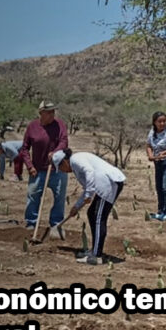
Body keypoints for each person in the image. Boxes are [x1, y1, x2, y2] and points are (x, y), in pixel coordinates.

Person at [53, 149, 126, 265]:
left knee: (98, 217)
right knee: (91, 213)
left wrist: (89, 194)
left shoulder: (75, 160)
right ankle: (94, 250)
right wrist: (76, 206)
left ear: (64, 162)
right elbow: (87, 187)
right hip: (104, 185)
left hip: (109, 184)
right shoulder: (75, 164)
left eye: (60, 168)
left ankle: (96, 256)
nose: (63, 171)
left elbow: (89, 172)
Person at [18, 100, 69, 237]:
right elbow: (24, 149)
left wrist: (56, 152)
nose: (52, 114)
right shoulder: (32, 127)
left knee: (59, 197)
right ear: (41, 113)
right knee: (33, 196)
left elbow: (64, 141)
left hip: (57, 170)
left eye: (53, 111)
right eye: (49, 112)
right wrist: (30, 166)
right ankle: (31, 223)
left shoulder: (60, 125)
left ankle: (56, 224)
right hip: (38, 170)